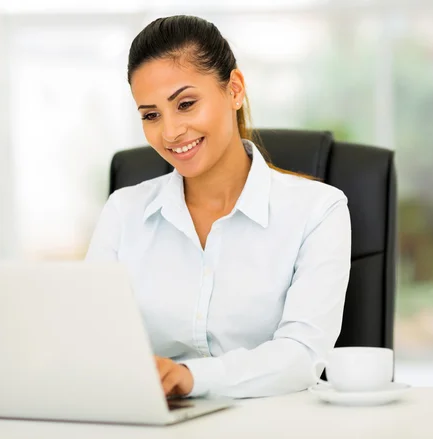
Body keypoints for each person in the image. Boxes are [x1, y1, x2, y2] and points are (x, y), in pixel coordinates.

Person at [86, 15, 351, 399]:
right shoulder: (124, 212)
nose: (170, 132)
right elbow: (90, 338)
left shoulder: (318, 211)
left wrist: (190, 378)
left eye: (186, 104)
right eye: (151, 115)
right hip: (153, 423)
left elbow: (301, 356)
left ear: (235, 90)